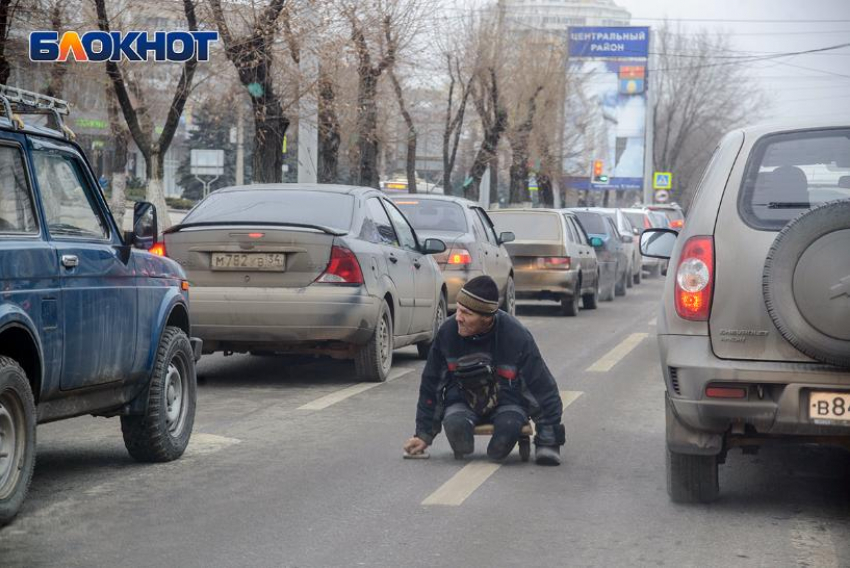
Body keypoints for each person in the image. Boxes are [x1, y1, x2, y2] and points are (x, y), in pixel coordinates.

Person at [403, 275, 565, 465]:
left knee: (508, 429)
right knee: (456, 428)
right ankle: (461, 432)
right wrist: (423, 434)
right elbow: (431, 386)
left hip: (507, 403)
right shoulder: (447, 333)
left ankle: (503, 444)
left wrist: (548, 440)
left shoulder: (515, 336)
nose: (458, 318)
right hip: (461, 401)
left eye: (466, 313)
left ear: (487, 318)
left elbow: (541, 387)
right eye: (458, 310)